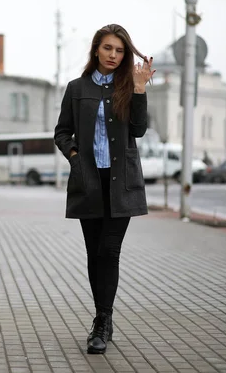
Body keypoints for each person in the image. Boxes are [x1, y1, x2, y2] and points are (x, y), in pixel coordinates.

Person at [53, 24, 155, 355]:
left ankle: (103, 321)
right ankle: (102, 317)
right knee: (94, 252)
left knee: (109, 251)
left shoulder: (130, 86)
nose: (113, 55)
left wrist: (139, 90)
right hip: (88, 182)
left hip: (120, 181)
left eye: (120, 50)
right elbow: (62, 131)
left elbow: (138, 131)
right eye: (108, 48)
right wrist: (75, 158)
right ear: (96, 49)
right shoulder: (76, 88)